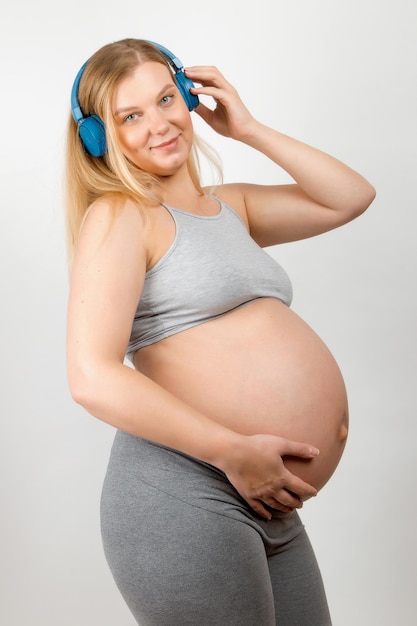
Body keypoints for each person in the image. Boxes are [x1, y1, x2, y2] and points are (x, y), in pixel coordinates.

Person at [65, 38, 375, 625]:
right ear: (99, 139)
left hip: (265, 499)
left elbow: (351, 197)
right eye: (130, 116)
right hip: (186, 495)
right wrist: (232, 451)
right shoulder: (120, 216)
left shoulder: (233, 209)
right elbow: (91, 377)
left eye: (166, 100)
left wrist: (249, 128)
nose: (159, 124)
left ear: (190, 98)